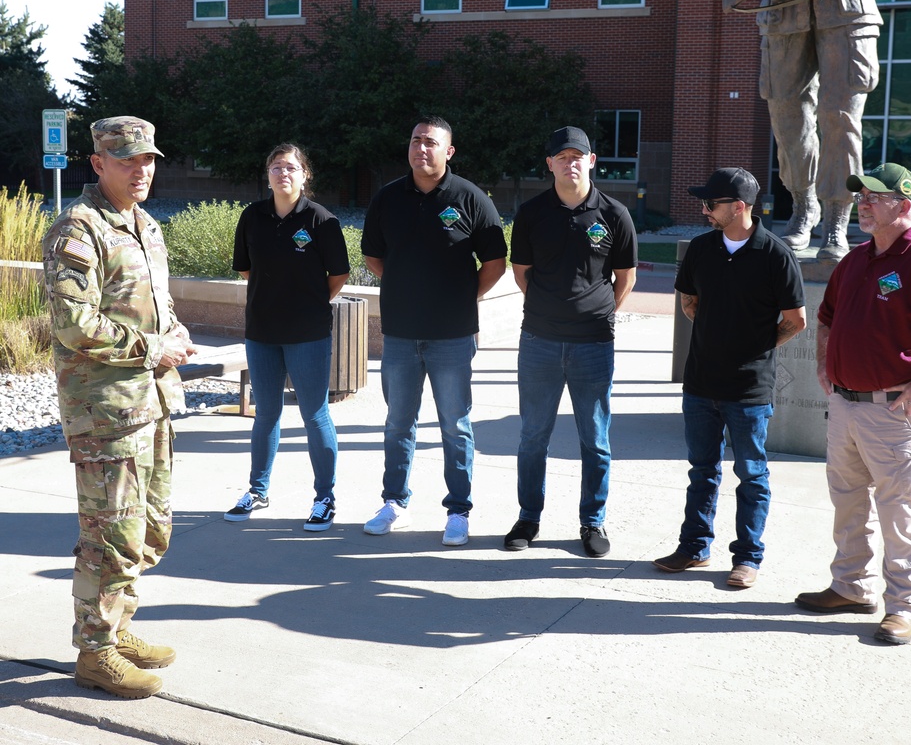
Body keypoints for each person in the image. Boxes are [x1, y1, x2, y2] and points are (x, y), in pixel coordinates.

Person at [795, 164, 911, 644]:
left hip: (893, 411)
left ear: (903, 205)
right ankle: (850, 587)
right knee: (847, 501)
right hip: (845, 405)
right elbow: (827, 315)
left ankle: (903, 605)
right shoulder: (856, 259)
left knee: (898, 509)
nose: (862, 203)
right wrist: (824, 365)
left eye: (873, 197)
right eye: (860, 196)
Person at [42, 116, 196, 699]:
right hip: (104, 410)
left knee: (148, 530)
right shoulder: (76, 231)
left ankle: (119, 624)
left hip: (150, 401)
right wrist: (156, 347)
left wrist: (174, 333)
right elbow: (74, 324)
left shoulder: (144, 226)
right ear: (98, 164)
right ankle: (95, 651)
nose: (142, 170)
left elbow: (157, 303)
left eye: (149, 160)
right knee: (109, 533)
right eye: (128, 160)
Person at [653, 167, 806, 587]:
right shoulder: (701, 249)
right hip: (700, 382)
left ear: (739, 207)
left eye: (711, 204)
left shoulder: (775, 254)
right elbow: (689, 302)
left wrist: (753, 346)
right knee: (701, 470)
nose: (704, 210)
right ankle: (694, 547)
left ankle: (748, 558)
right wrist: (715, 336)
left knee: (751, 474)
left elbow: (796, 320)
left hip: (749, 388)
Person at [709, 0, 910, 262]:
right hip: (782, 2)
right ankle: (803, 208)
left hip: (846, 0)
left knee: (839, 119)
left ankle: (836, 222)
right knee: (788, 120)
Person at [360, 116, 507, 546]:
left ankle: (458, 510)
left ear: (449, 151)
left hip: (452, 336)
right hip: (401, 335)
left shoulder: (470, 198)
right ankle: (394, 503)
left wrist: (461, 298)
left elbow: (495, 263)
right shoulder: (388, 198)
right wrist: (409, 291)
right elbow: (374, 258)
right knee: (397, 423)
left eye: (431, 143)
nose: (421, 148)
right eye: (415, 140)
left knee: (455, 425)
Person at [503, 126, 637, 558]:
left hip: (593, 344)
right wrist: (550, 310)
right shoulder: (532, 213)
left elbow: (626, 277)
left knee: (595, 439)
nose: (570, 162)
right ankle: (528, 518)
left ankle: (592, 522)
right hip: (539, 342)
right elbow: (521, 272)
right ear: (550, 165)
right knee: (532, 437)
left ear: (592, 161)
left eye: (577, 155)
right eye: (561, 156)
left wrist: (595, 312)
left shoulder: (615, 214)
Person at [224, 144, 350, 532]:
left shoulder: (320, 221)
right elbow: (246, 270)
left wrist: (305, 303)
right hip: (261, 332)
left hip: (308, 334)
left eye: (291, 168)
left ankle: (324, 497)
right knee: (266, 413)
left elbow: (338, 276)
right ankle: (257, 490)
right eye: (277, 167)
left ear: (304, 175)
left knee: (314, 414)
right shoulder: (252, 217)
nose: (283, 174)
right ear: (268, 174)